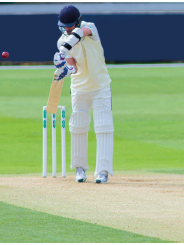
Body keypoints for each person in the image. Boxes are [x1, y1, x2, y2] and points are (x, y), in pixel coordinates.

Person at [53, 5, 114, 183]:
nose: (67, 29)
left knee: (104, 127)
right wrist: (64, 67)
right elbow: (74, 68)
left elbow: (80, 33)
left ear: (78, 21)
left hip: (101, 86)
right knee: (78, 126)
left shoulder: (90, 28)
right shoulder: (60, 41)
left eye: (70, 25)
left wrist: (65, 47)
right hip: (79, 88)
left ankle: (103, 171)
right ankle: (79, 169)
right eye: (65, 26)